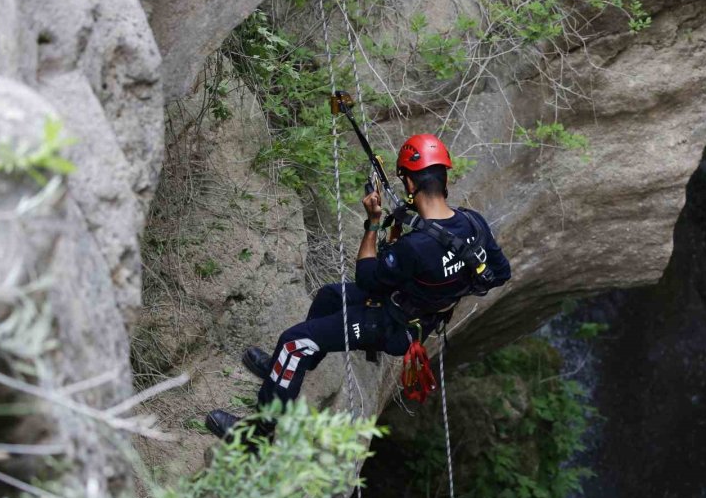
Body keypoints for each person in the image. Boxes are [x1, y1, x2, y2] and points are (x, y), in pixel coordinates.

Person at [205, 133, 511, 440]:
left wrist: (373, 223)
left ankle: (258, 435)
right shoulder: (474, 224)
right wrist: (448, 289)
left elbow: (366, 275)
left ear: (409, 185)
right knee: (329, 296)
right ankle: (285, 373)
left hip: (391, 326)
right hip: (416, 315)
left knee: (292, 342)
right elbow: (500, 273)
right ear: (444, 179)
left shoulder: (416, 246)